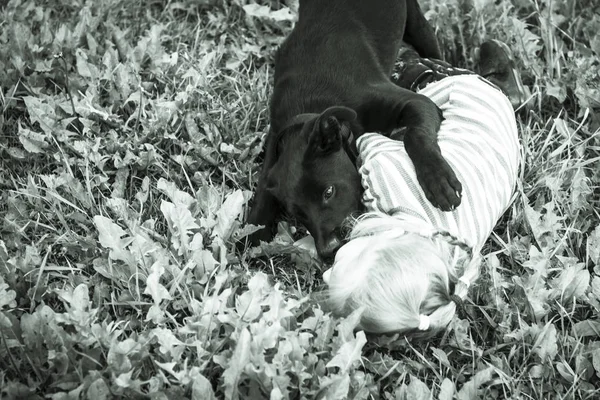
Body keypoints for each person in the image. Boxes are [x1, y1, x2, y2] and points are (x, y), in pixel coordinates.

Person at [322, 40, 526, 337]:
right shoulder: (385, 182)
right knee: (393, 74)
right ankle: (492, 79)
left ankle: (505, 91)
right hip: (464, 99)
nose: (326, 273)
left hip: (502, 141)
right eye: (339, 265)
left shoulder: (452, 263)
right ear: (388, 235)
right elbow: (367, 140)